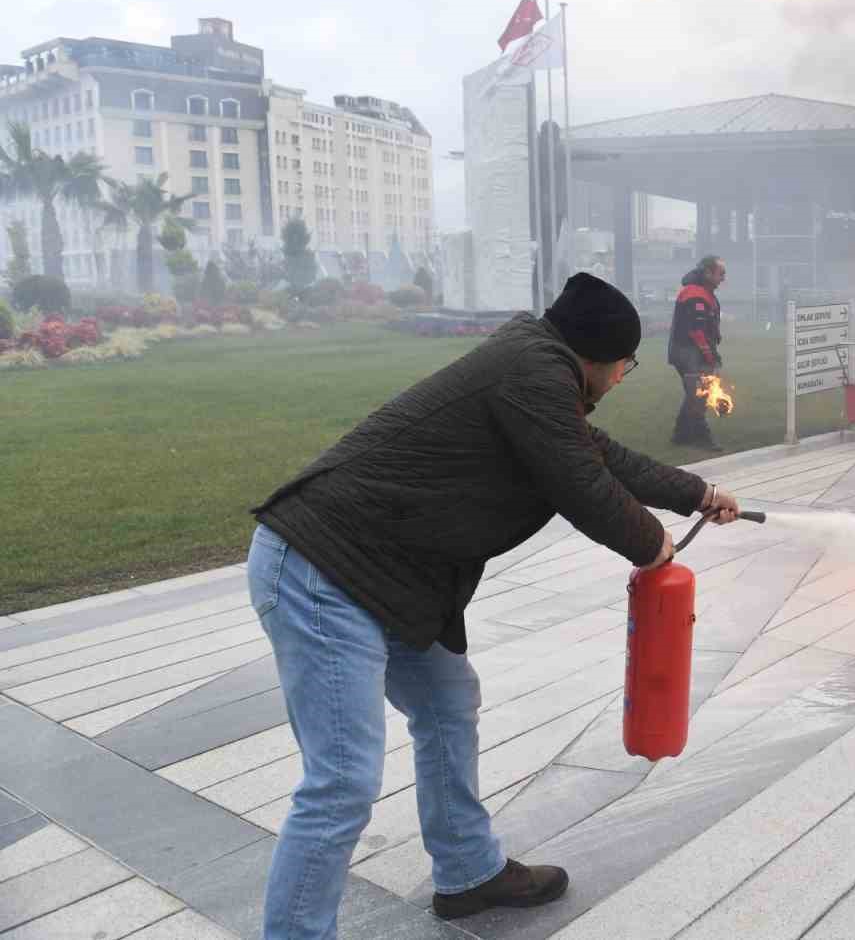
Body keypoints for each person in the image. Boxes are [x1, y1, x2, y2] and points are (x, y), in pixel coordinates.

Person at [246, 273, 743, 939]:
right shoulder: (532, 374)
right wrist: (651, 543)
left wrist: (695, 491)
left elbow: (599, 456)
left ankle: (468, 873)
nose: (626, 376)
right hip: (323, 571)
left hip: (386, 577)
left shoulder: (536, 372)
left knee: (449, 706)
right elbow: (581, 482)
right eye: (627, 364)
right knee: (342, 782)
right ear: (599, 358)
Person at [669, 255, 726, 451]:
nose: (723, 278)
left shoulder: (703, 291)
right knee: (701, 394)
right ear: (708, 273)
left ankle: (681, 435)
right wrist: (710, 356)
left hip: (689, 351)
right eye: (721, 273)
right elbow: (696, 331)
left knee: (694, 394)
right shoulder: (695, 294)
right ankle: (703, 438)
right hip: (688, 352)